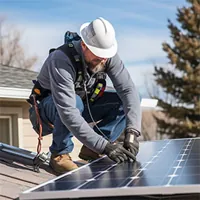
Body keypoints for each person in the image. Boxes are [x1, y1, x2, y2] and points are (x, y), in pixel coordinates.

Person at [28, 17, 141, 174]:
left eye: (105, 56)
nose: (102, 60)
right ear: (83, 45)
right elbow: (68, 111)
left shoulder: (107, 57)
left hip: (81, 105)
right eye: (97, 55)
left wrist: (132, 132)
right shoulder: (61, 59)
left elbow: (128, 90)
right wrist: (104, 146)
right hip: (49, 111)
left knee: (125, 100)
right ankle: (59, 153)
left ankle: (91, 149)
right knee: (74, 103)